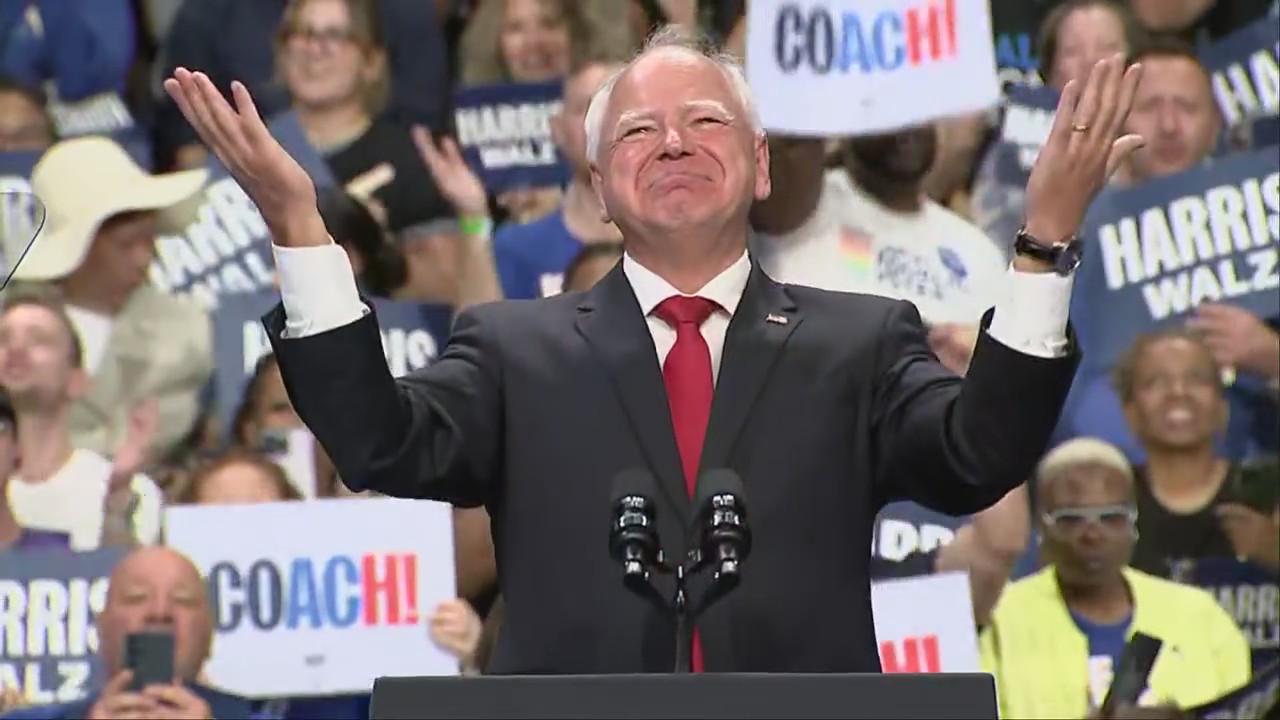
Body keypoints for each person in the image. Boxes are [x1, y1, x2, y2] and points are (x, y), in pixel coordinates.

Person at [164, 27, 1143, 673]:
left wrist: (1045, 241)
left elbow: (977, 455)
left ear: (760, 164)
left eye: (705, 121)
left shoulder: (862, 340)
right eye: (639, 130)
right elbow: (379, 443)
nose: (673, 143)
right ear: (598, 185)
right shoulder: (510, 347)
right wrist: (299, 228)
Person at [979, 438, 1251, 719]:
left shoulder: (1200, 616)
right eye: (1071, 519)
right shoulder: (998, 620)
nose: (1092, 535)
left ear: (1134, 523)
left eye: (1111, 517)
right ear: (1041, 526)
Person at [9, 135, 213, 460]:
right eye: (126, 244)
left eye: (149, 240)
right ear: (80, 248)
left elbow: (151, 435)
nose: (145, 257)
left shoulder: (180, 330)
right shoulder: (11, 324)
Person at [0, 291, 163, 551]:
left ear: (77, 381)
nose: (15, 349)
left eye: (39, 340)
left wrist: (117, 499)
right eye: (3, 339)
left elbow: (130, 574)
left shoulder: (128, 487)